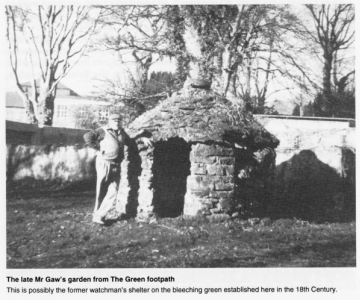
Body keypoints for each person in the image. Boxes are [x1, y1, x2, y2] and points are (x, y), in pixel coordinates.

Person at [84, 113, 151, 224]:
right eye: (114, 121)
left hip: (116, 164)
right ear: (110, 121)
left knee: (114, 189)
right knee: (101, 189)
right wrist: (98, 148)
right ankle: (97, 215)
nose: (116, 123)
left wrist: (141, 138)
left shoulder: (122, 132)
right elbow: (87, 137)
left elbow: (129, 142)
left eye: (119, 121)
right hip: (104, 162)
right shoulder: (102, 130)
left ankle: (100, 214)